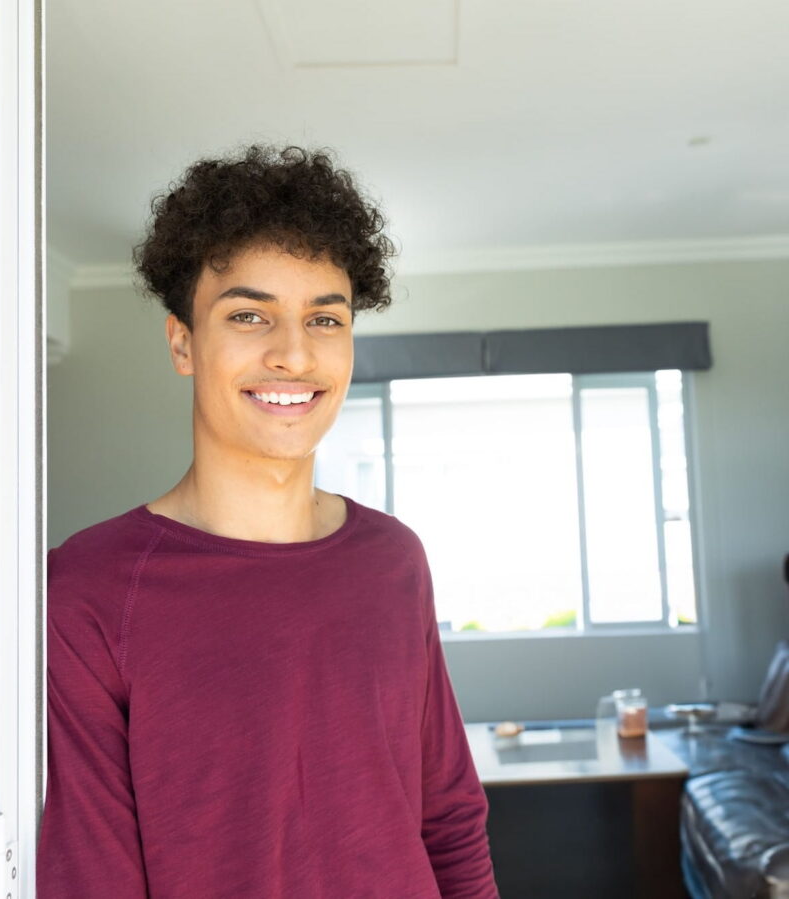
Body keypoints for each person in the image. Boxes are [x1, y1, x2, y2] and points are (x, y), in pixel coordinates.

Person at [36, 145, 498, 897]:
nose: (292, 353)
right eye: (249, 315)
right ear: (183, 342)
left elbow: (447, 814)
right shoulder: (87, 590)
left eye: (324, 318)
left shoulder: (394, 560)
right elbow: (92, 876)